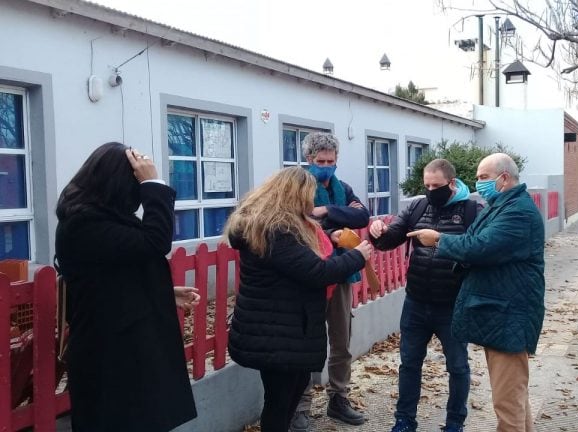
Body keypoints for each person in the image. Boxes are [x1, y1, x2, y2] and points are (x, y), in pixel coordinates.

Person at [55, 142, 199, 432]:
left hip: (123, 349)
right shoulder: (84, 223)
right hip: (110, 358)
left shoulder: (101, 217)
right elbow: (155, 242)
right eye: (134, 187)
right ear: (119, 184)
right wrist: (153, 184)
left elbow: (111, 276)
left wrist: (165, 293)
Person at [225, 166, 372, 432]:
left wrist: (329, 236)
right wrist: (358, 256)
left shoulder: (275, 224)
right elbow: (317, 272)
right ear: (294, 195)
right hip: (276, 332)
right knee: (280, 402)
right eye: (308, 196)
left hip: (283, 327)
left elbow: (295, 255)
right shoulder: (275, 230)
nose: (311, 203)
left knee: (289, 395)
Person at [408, 153, 545, 432]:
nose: (478, 184)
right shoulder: (501, 205)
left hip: (509, 316)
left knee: (508, 404)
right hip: (501, 314)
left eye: (483, 178)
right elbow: (474, 241)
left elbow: (479, 247)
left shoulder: (517, 212)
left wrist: (439, 240)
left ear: (503, 178)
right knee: (514, 399)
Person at [368, 159, 478, 432]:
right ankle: (404, 420)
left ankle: (455, 423)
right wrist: (377, 232)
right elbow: (391, 238)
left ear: (452, 184)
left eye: (436, 185)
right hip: (416, 301)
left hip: (452, 304)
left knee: (458, 366)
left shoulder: (471, 210)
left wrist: (440, 239)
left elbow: (477, 249)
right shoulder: (418, 207)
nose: (430, 190)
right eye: (426, 185)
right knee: (409, 364)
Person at [290, 132, 371, 431]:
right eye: (319, 160)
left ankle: (339, 398)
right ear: (308, 160)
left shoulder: (343, 187)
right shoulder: (298, 187)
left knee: (341, 340)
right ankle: (301, 406)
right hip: (310, 274)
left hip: (342, 272)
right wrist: (333, 229)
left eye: (330, 160)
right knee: (309, 341)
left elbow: (362, 216)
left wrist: (326, 212)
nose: (325, 165)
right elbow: (298, 220)